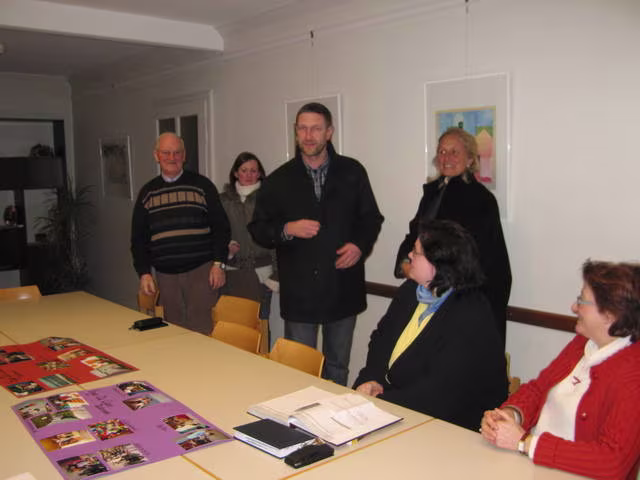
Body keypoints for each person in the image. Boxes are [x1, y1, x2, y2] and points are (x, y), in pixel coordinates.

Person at [248, 102, 384, 385]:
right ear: (296, 132)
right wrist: (287, 229)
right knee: (299, 372)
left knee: (337, 368)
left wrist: (359, 245)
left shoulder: (352, 171)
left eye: (316, 129)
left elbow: (371, 218)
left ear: (329, 132)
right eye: (302, 128)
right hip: (300, 292)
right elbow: (258, 229)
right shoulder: (278, 179)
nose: (308, 136)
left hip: (342, 287)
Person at [481, 260, 640, 480]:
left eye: (582, 301)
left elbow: (612, 462)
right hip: (533, 466)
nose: (574, 307)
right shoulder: (583, 343)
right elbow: (538, 389)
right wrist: (511, 415)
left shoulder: (633, 375)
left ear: (610, 315)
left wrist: (526, 443)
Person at [354, 220, 508, 430]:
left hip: (450, 428)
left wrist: (381, 401)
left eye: (416, 252)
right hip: (398, 409)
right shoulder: (411, 290)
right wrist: (371, 380)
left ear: (439, 264)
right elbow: (380, 341)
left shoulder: (470, 312)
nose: (409, 255)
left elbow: (441, 392)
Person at [394, 127, 511, 346]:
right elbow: (414, 236)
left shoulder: (481, 200)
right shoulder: (433, 193)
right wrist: (405, 265)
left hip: (459, 301)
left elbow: (474, 260)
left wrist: (432, 280)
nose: (446, 158)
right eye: (441, 151)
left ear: (470, 159)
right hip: (427, 294)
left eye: (454, 152)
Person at [130, 132, 230, 335]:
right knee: (174, 331)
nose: (172, 157)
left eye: (177, 152)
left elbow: (221, 227)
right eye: (166, 152)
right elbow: (138, 238)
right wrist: (144, 272)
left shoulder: (202, 186)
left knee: (203, 330)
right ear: (156, 155)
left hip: (201, 272)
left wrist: (219, 264)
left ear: (184, 156)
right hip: (166, 275)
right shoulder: (147, 192)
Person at [220, 152, 276, 346]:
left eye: (253, 171)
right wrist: (226, 248)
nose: (249, 175)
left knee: (259, 325)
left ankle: (261, 362)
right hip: (232, 272)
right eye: (244, 170)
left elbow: (276, 237)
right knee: (234, 326)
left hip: (262, 274)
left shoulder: (268, 199)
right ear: (236, 173)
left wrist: (277, 274)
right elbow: (217, 233)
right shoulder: (223, 200)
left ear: (260, 173)